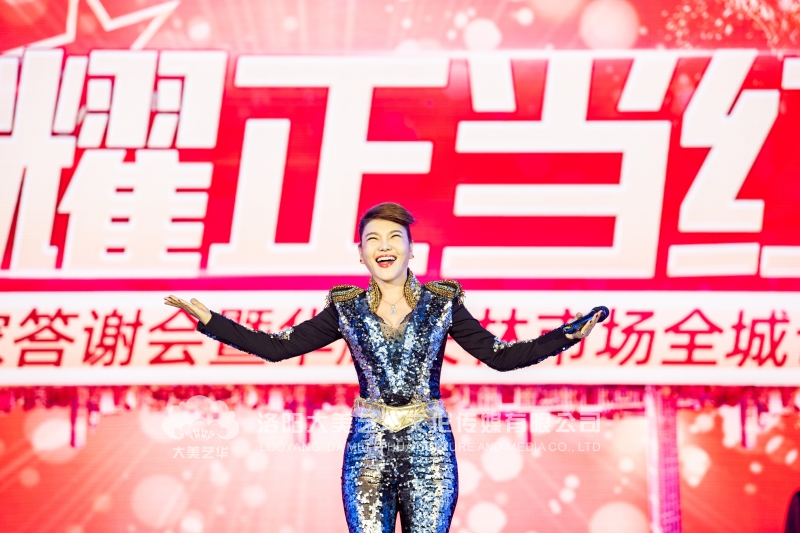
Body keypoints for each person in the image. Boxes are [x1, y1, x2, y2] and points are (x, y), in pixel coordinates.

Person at [164, 202, 601, 533]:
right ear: (361, 254)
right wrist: (211, 321)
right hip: (367, 452)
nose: (384, 246)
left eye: (394, 237)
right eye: (373, 239)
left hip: (430, 452)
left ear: (411, 249)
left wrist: (565, 336)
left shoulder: (442, 304)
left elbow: (500, 356)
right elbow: (278, 348)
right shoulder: (345, 308)